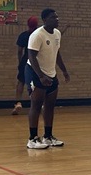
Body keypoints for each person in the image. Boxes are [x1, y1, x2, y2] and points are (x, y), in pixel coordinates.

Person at [26, 8, 70, 149]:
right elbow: (31, 57)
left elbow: (57, 53)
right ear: (45, 20)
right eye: (53, 17)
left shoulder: (57, 34)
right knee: (36, 105)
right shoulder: (37, 35)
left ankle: (48, 137)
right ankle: (32, 139)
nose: (57, 19)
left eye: (57, 17)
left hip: (51, 73)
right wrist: (40, 76)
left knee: (50, 105)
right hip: (35, 72)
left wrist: (64, 70)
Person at [12, 16, 39, 115]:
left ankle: (18, 103)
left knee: (21, 82)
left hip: (25, 60)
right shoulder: (39, 36)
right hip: (37, 61)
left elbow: (20, 51)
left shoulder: (23, 35)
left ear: (28, 24)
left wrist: (20, 62)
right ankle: (38, 104)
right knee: (36, 84)